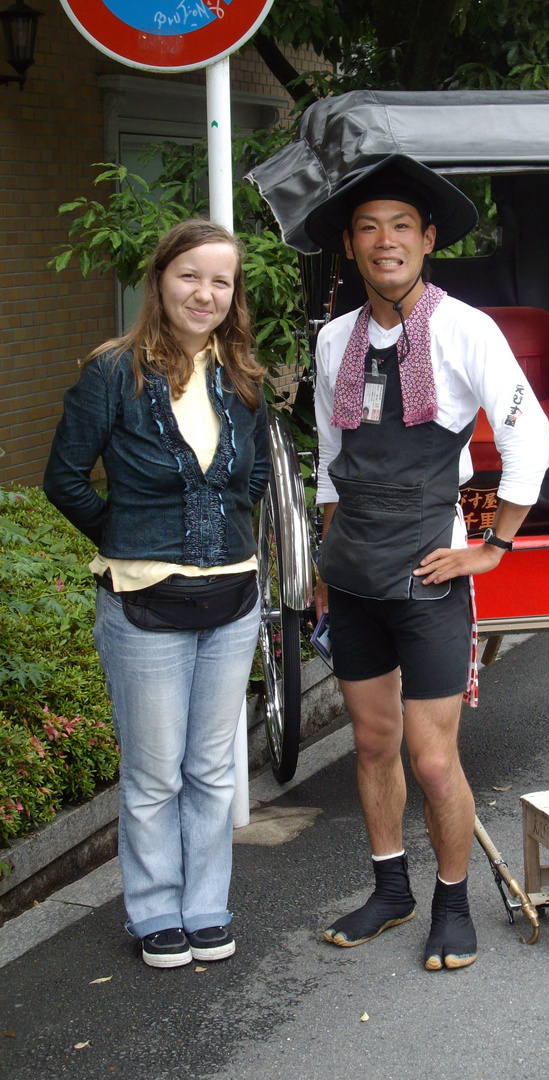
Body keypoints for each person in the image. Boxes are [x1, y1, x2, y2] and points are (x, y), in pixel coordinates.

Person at [306, 155, 549, 970]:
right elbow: (329, 457)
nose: (386, 242)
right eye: (369, 227)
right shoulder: (334, 340)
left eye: (402, 227)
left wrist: (492, 549)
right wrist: (321, 559)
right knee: (372, 746)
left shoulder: (462, 328)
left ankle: (452, 900)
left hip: (428, 575)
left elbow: (532, 441)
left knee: (433, 756)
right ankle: (391, 888)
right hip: (351, 575)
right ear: (350, 244)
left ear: (428, 239)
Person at [43, 219, 270, 969]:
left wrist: (227, 536)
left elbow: (259, 477)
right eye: (190, 276)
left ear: (232, 296)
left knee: (210, 769)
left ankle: (206, 908)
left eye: (220, 281)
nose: (204, 293)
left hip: (231, 599)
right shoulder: (113, 371)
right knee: (152, 772)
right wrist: (128, 535)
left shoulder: (242, 375)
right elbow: (64, 478)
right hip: (142, 603)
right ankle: (152, 912)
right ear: (160, 282)